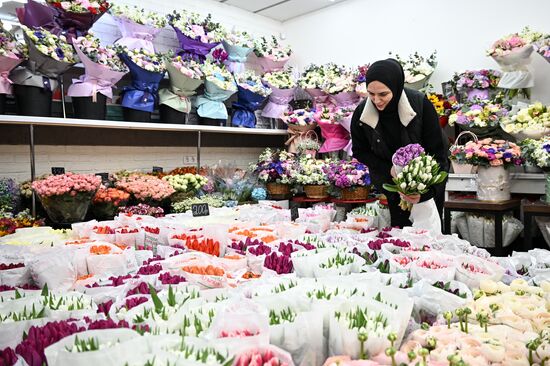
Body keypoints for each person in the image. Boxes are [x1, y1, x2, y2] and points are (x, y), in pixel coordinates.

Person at [351, 58, 449, 228]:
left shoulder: (419, 105)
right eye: (371, 94)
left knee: (429, 238)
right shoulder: (362, 113)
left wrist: (425, 193)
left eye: (383, 94)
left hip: (427, 187)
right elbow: (360, 150)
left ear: (396, 88)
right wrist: (388, 168)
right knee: (401, 236)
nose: (376, 100)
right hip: (393, 186)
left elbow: (439, 155)